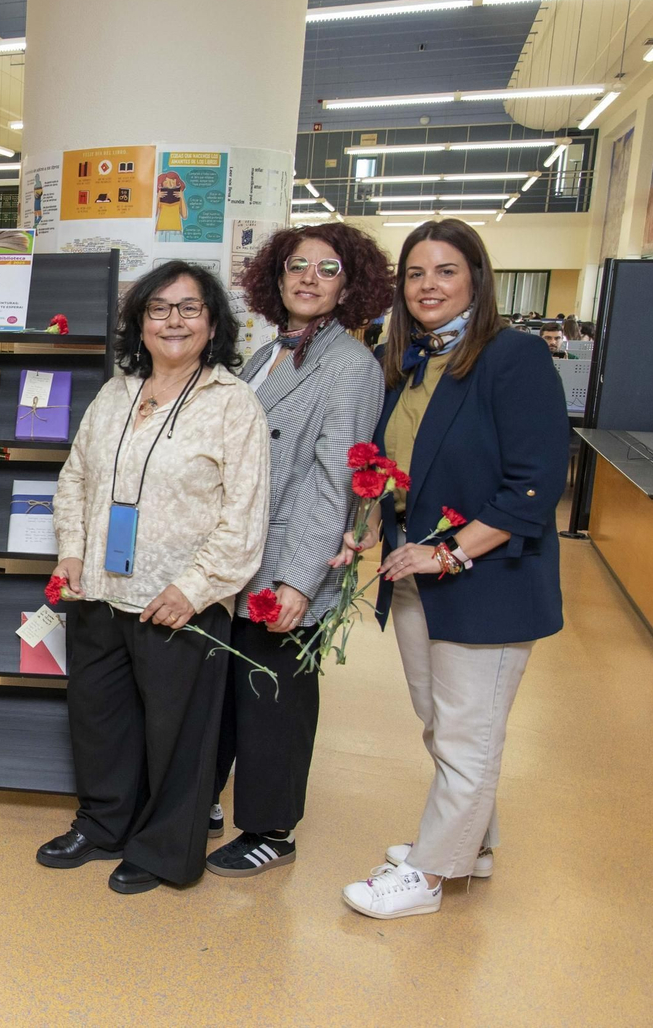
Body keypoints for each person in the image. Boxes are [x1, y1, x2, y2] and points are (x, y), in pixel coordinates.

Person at [337, 219, 568, 920]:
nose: (427, 286)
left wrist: (452, 550)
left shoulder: (512, 356)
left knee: (468, 731)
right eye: (415, 273)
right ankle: (476, 844)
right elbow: (394, 470)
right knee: (442, 726)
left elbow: (534, 485)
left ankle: (432, 875)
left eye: (444, 271)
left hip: (485, 579)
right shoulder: (406, 361)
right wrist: (366, 525)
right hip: (416, 575)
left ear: (476, 277)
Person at [40, 260, 270, 894]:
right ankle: (105, 823)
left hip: (179, 602)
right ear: (139, 322)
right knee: (100, 718)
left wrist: (195, 589)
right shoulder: (116, 392)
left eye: (189, 308)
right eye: (158, 308)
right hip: (100, 591)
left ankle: (168, 848)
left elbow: (244, 515)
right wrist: (71, 552)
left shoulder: (233, 404)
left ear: (213, 321)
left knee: (179, 733)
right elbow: (77, 478)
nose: (173, 320)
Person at [206, 223, 391, 877]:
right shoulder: (267, 355)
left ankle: (272, 828)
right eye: (297, 265)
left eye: (328, 268)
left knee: (275, 696)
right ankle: (210, 799)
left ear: (350, 285)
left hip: (287, 561)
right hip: (239, 557)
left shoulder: (350, 366)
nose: (309, 278)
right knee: (232, 688)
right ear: (275, 278)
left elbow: (331, 482)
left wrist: (300, 581)